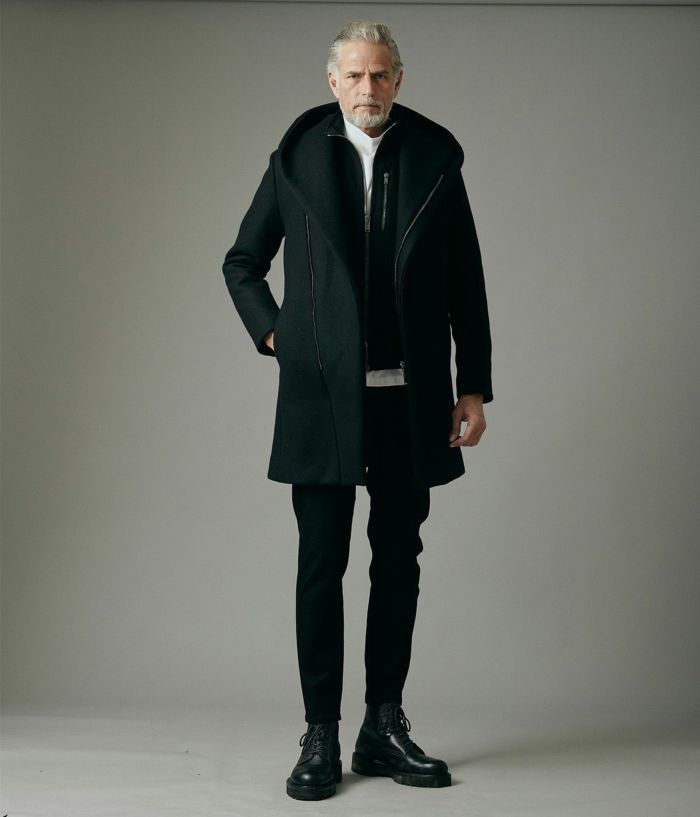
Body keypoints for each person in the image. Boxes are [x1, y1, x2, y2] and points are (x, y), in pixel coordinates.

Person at [222, 20, 493, 800]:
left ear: (398, 80)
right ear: (332, 82)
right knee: (320, 565)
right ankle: (320, 733)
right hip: (321, 399)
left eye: (380, 75)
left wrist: (473, 383)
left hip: (411, 397)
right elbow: (243, 261)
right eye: (354, 75)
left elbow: (465, 280)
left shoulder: (435, 158)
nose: (367, 88)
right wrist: (276, 335)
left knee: (398, 562)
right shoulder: (296, 157)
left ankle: (383, 725)